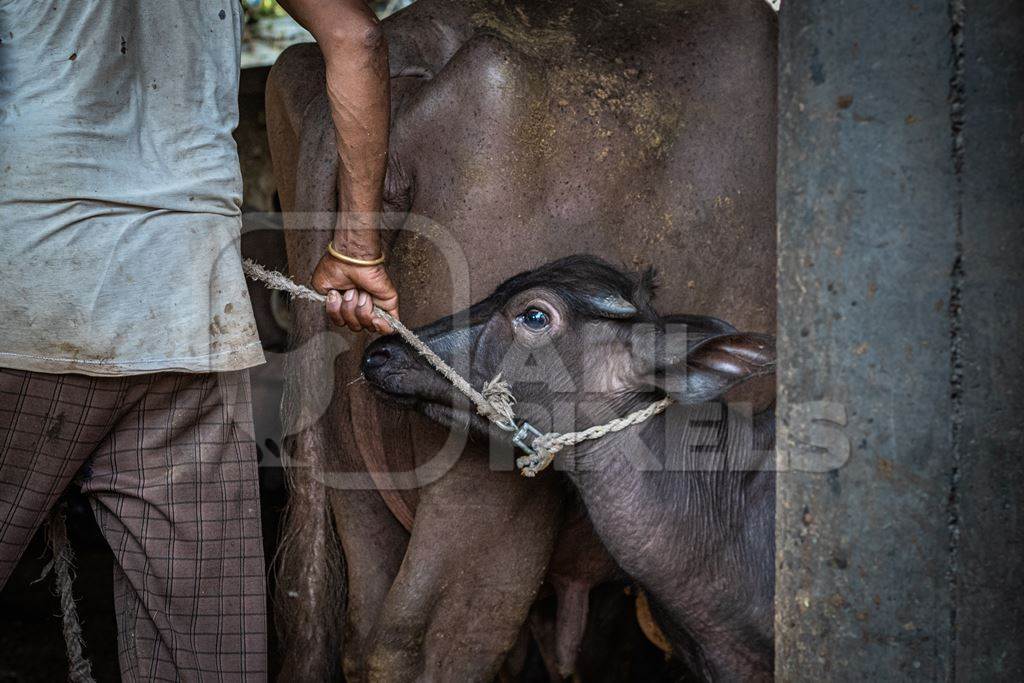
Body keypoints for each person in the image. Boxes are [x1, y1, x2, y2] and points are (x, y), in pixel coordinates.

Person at [0, 0, 396, 678]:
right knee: (205, 657)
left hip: (30, 297)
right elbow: (357, 37)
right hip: (190, 312)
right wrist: (358, 246)